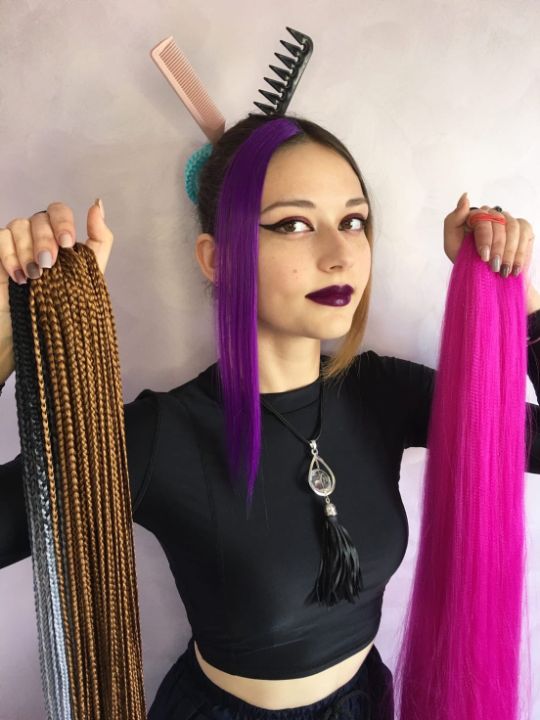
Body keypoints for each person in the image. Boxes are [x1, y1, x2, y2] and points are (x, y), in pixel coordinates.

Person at [1, 113, 540, 720]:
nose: (340, 255)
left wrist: (518, 303)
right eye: (294, 224)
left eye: (353, 221)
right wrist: (3, 333)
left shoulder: (382, 392)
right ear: (216, 258)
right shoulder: (160, 437)